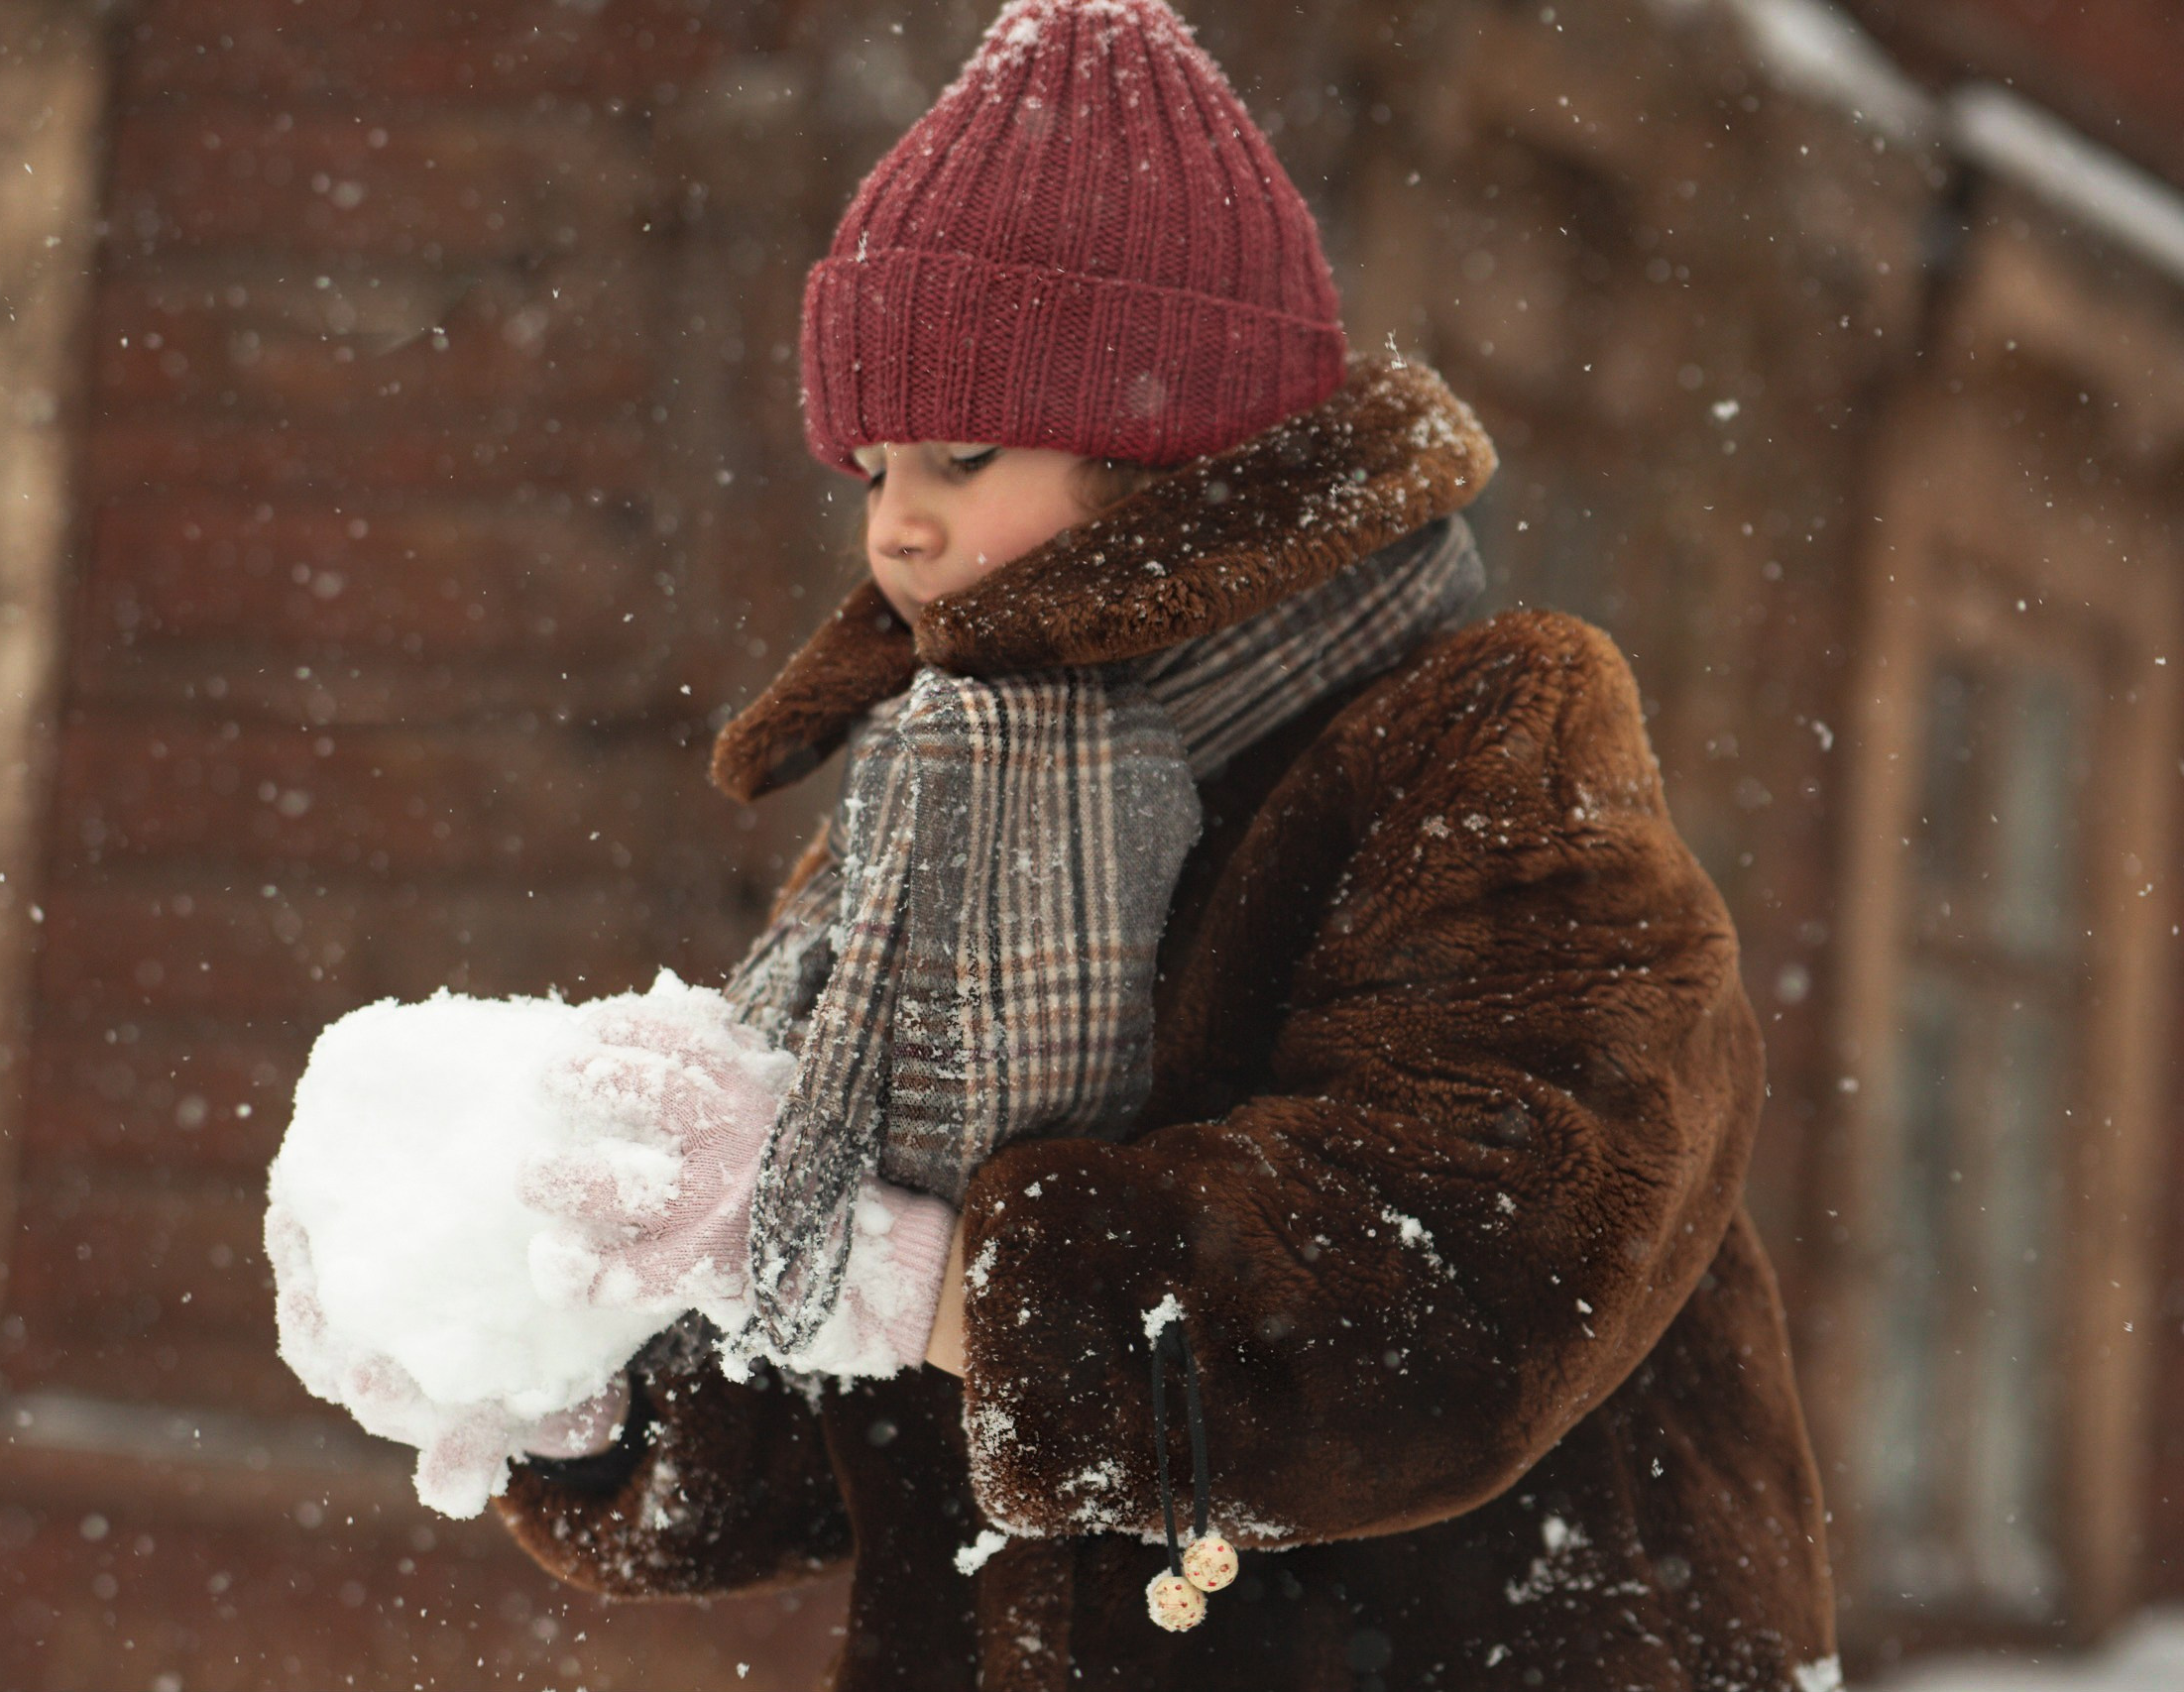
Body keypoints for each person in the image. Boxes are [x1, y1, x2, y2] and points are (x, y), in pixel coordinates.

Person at [494, 3, 1838, 1687]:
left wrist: (923, 1274)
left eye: (964, 456)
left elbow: (1470, 1285)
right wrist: (573, 1356)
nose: (897, 519)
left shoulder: (1479, 738)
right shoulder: (935, 810)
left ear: (1165, 459)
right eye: (875, 461)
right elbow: (863, 1432)